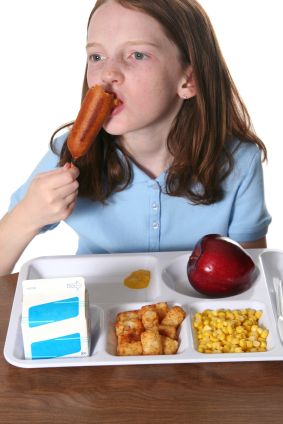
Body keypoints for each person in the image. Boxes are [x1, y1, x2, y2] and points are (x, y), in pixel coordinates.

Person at [0, 0, 271, 277]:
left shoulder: (239, 161)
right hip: (98, 308)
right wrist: (27, 217)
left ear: (188, 80)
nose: (108, 73)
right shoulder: (67, 153)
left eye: (137, 55)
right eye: (96, 56)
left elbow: (250, 278)